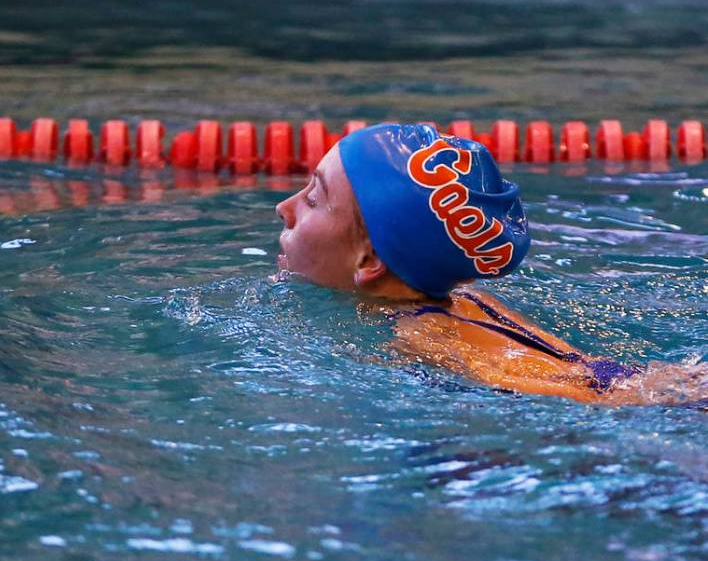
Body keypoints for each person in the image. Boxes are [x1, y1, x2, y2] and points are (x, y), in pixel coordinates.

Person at [274, 123, 706, 406]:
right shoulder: (470, 300)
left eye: (313, 198)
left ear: (369, 260)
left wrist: (655, 399)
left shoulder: (419, 333)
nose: (284, 208)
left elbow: (557, 392)